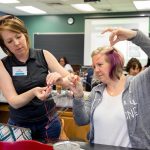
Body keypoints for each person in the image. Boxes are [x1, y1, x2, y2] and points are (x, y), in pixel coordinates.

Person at [70, 27, 150, 149]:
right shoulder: (97, 92)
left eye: (100, 64)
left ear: (115, 63)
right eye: (94, 66)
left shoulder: (138, 84)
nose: (95, 70)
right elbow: (81, 120)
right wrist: (78, 96)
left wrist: (133, 35)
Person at [0, 15, 73, 143]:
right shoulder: (3, 65)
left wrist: (61, 78)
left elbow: (70, 79)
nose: (17, 43)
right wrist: (33, 92)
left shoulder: (44, 55)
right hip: (19, 126)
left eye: (18, 36)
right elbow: (14, 101)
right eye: (10, 41)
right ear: (5, 46)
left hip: (48, 124)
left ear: (25, 35)